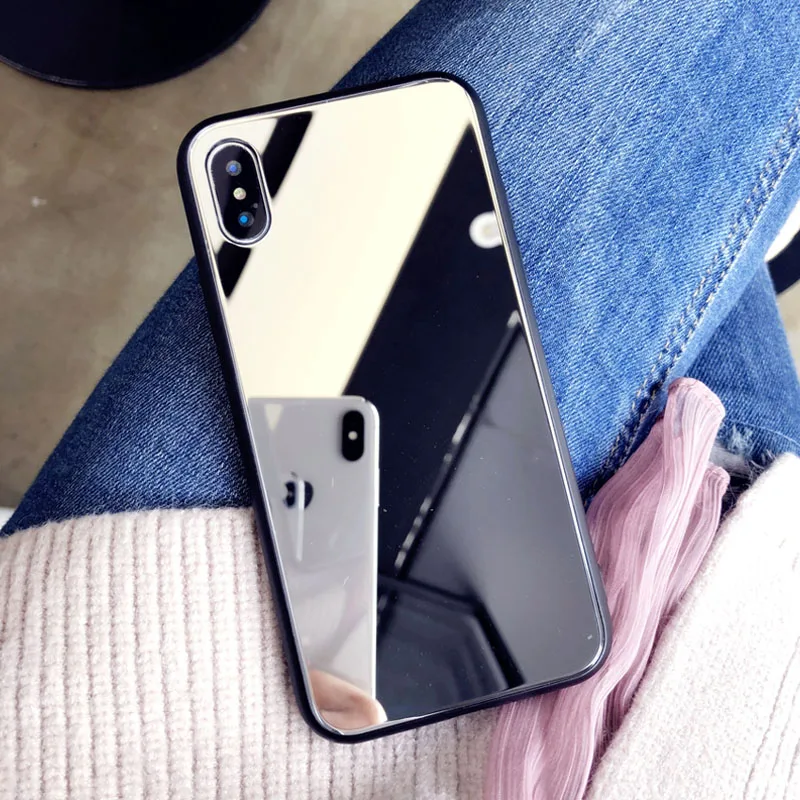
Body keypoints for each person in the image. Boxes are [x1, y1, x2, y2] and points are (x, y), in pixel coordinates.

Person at [2, 0, 800, 797]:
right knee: (712, 152)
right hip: (755, 639)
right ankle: (749, 232)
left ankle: (747, 229)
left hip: (155, 677)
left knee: (691, 193)